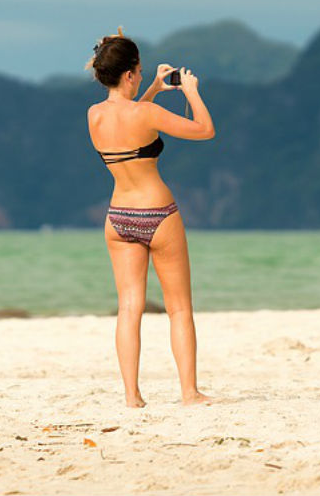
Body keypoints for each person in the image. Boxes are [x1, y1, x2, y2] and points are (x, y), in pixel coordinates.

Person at [86, 30, 216, 406]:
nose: (141, 77)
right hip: (157, 214)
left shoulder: (94, 115)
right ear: (129, 74)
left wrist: (156, 88)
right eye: (140, 73)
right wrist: (190, 91)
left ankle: (132, 396)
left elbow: (131, 123)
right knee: (178, 308)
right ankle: (189, 392)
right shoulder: (146, 113)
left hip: (119, 217)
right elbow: (205, 130)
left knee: (129, 308)